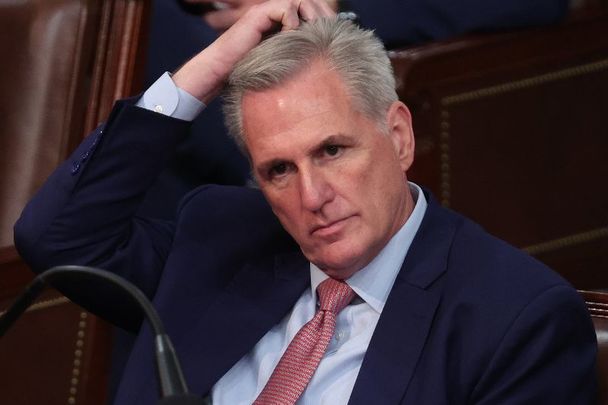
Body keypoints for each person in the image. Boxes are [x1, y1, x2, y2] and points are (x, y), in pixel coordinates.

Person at [14, 0, 596, 404]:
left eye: (333, 151)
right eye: (278, 171)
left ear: (398, 136)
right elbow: (58, 235)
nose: (313, 196)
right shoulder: (218, 241)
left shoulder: (514, 319)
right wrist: (212, 65)